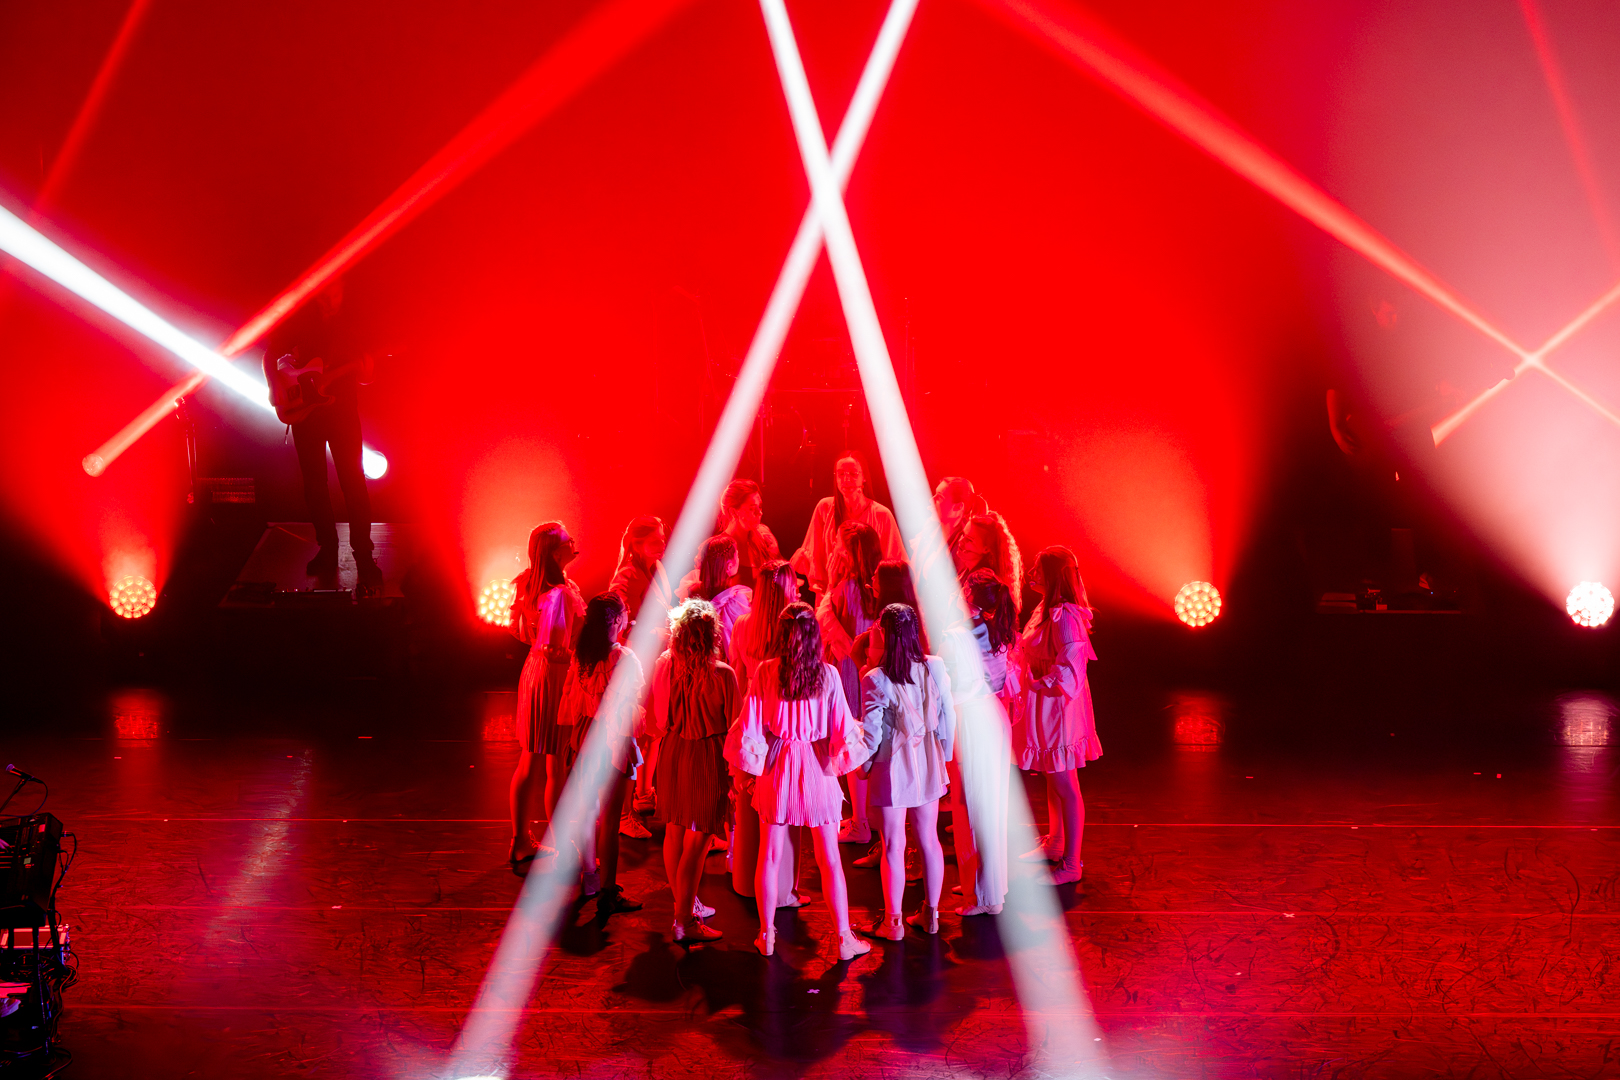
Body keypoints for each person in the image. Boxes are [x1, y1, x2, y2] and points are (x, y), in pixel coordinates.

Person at [725, 604, 872, 961]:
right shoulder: (829, 674)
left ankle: (766, 935)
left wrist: (745, 771)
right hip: (816, 764)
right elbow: (842, 729)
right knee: (829, 859)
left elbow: (751, 725)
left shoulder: (766, 671)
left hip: (778, 764)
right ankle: (843, 939)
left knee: (769, 854)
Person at [261, 277, 378, 587]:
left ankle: (363, 554)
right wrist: (274, 384)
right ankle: (327, 548)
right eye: (322, 295)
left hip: (343, 414)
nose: (327, 301)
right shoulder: (301, 321)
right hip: (307, 415)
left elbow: (366, 377)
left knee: (353, 482)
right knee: (315, 485)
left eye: (333, 294)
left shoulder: (355, 324)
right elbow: (270, 354)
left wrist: (366, 368)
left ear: (343, 290)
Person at [858, 603, 955, 939]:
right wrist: (944, 755)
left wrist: (863, 767)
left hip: (893, 764)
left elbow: (872, 734)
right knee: (929, 840)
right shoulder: (934, 666)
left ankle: (893, 923)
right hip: (927, 758)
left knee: (892, 844)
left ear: (885, 634)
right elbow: (947, 714)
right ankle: (931, 914)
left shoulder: (876, 678)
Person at [1014, 547, 1101, 886]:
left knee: (1065, 782)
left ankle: (1072, 863)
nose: (1031, 573)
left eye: (1038, 568)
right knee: (1054, 775)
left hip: (1058, 707)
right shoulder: (1046, 609)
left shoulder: (1065, 616)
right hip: (1044, 702)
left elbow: (1071, 666)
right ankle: (1056, 842)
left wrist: (1042, 682)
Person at [652, 599, 737, 944]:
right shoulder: (724, 674)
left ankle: (684, 905)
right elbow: (735, 728)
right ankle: (684, 921)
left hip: (673, 751)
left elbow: (660, 718)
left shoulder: (665, 665)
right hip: (707, 754)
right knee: (698, 842)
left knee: (674, 832)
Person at [725, 560, 807, 907]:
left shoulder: (743, 625)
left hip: (751, 721)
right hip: (785, 723)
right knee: (784, 810)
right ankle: (784, 890)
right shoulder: (796, 626)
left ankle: (745, 880)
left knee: (748, 806)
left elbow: (735, 673)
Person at [559, 592, 645, 916]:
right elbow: (628, 708)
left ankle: (590, 877)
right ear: (617, 620)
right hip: (610, 738)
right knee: (610, 821)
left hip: (584, 733)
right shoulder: (623, 658)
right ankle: (608, 891)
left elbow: (572, 700)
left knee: (585, 811)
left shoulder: (581, 654)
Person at [507, 522, 585, 873]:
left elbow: (521, 633)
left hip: (536, 669)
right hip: (552, 675)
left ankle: (522, 840)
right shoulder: (560, 594)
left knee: (534, 760)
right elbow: (556, 647)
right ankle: (558, 846)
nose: (574, 542)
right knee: (554, 764)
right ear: (555, 553)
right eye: (568, 540)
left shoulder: (536, 585)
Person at [943, 569, 1020, 916]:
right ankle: (988, 887)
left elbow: (948, 686)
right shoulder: (996, 630)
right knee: (990, 806)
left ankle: (981, 896)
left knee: (970, 808)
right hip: (992, 715)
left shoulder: (957, 636)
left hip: (972, 719)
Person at [816, 521, 884, 847]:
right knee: (873, 742)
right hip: (877, 671)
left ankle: (860, 823)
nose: (834, 550)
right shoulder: (879, 586)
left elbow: (835, 632)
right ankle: (869, 818)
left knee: (853, 742)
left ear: (851, 552)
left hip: (851, 670)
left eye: (839, 546)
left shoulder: (847, 588)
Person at [609, 516, 672, 836]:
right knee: (629, 733)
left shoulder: (656, 569)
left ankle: (644, 794)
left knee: (654, 728)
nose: (662, 545)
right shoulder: (628, 576)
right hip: (635, 664)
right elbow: (617, 621)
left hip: (654, 660)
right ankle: (621, 814)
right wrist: (652, 632)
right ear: (636, 544)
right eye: (655, 540)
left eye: (663, 538)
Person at [791, 451, 904, 600]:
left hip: (868, 599)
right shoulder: (824, 508)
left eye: (853, 473)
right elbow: (812, 555)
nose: (846, 479)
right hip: (830, 596)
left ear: (864, 477)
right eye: (841, 474)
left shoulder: (881, 515)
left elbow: (895, 562)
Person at [680, 534, 752, 656]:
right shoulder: (737, 599)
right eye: (738, 555)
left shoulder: (691, 592)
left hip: (698, 658)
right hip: (728, 662)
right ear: (729, 566)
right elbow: (745, 641)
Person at [954, 511, 1023, 613]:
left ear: (986, 549)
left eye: (969, 540)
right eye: (963, 534)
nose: (961, 541)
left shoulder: (983, 585)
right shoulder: (968, 570)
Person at [718, 479, 781, 591]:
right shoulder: (719, 549)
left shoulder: (763, 537)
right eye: (751, 508)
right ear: (733, 512)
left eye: (760, 506)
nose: (759, 513)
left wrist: (776, 555)